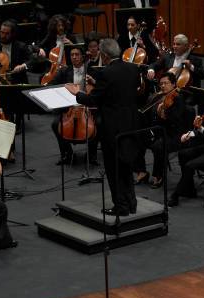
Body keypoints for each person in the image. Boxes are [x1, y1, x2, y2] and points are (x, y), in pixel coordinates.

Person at [65, 39, 140, 216]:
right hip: (131, 123)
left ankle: (121, 207)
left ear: (105, 56)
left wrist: (77, 94)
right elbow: (122, 90)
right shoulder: (132, 68)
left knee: (113, 168)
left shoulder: (106, 73)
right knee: (126, 165)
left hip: (112, 128)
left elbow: (94, 100)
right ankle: (131, 203)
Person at [136, 72, 189, 188]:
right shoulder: (157, 97)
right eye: (161, 84)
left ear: (174, 84)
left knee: (158, 146)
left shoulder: (178, 98)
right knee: (136, 138)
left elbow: (177, 120)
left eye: (166, 83)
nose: (163, 86)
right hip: (157, 131)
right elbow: (146, 115)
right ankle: (142, 171)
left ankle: (158, 176)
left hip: (173, 134)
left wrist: (165, 113)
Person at [49, 46, 98, 166]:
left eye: (77, 54)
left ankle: (92, 155)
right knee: (55, 124)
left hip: (88, 108)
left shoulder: (92, 71)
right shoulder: (64, 71)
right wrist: (63, 88)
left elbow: (101, 88)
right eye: (72, 55)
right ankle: (67, 153)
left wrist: (93, 83)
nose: (74, 57)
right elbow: (51, 85)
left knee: (100, 123)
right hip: (68, 108)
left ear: (83, 57)